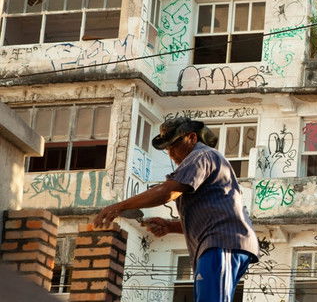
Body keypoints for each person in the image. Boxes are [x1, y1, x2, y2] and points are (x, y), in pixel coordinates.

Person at [94, 117, 259, 302]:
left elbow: (167, 191)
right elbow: (212, 215)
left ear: (192, 138)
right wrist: (170, 226)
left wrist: (119, 206)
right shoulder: (205, 161)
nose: (171, 153)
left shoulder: (201, 156)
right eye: (167, 149)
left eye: (174, 145)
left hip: (221, 242)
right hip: (224, 241)